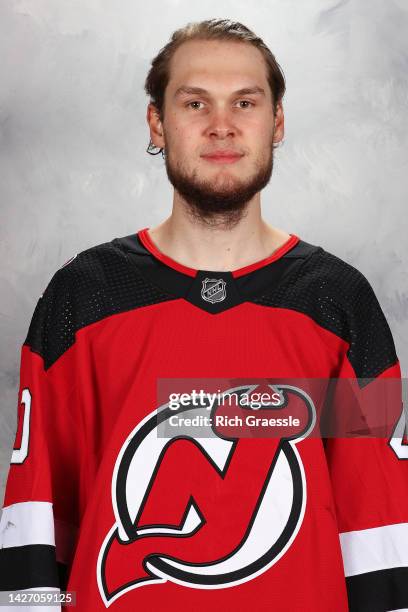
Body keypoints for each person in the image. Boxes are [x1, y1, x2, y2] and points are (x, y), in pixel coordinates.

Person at [0, 18, 407, 612]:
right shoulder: (84, 296)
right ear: (157, 123)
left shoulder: (341, 302)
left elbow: (380, 527)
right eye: (195, 103)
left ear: (278, 122)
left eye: (245, 101)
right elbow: (37, 515)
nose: (222, 125)